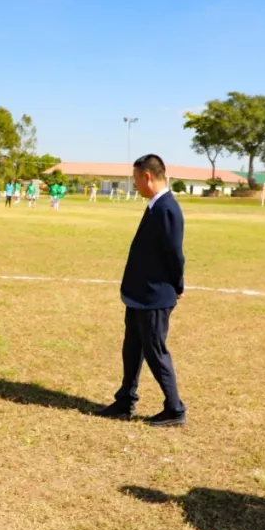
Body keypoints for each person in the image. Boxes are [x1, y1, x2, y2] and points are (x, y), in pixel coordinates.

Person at [97, 154, 186, 428]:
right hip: (139, 294)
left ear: (147, 176)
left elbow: (174, 255)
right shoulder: (154, 206)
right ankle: (125, 400)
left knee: (155, 350)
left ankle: (175, 408)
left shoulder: (167, 209)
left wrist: (177, 285)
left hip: (155, 295)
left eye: (136, 179)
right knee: (132, 348)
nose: (135, 185)